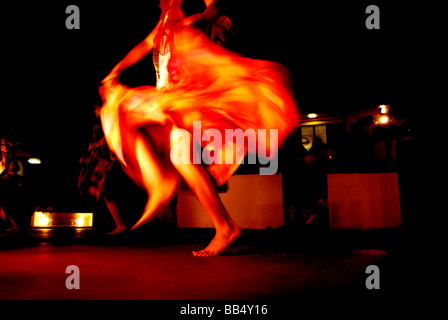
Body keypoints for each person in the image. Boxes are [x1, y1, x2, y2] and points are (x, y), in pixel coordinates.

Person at [99, 0, 300, 256]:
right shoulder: (163, 24)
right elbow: (143, 46)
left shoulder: (186, 19)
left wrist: (190, 20)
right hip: (169, 99)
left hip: (185, 98)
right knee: (183, 160)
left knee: (118, 108)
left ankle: (160, 181)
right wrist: (115, 70)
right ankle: (223, 225)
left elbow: (213, 10)